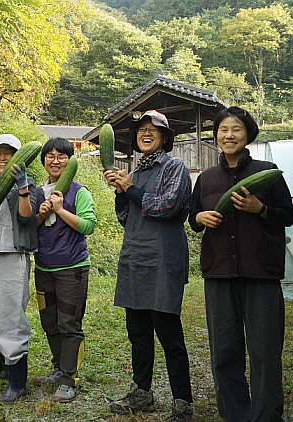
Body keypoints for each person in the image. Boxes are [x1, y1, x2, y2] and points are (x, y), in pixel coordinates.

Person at [188, 106, 293, 422]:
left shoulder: (268, 172)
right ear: (217, 136)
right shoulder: (206, 178)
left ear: (247, 134)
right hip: (219, 272)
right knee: (224, 352)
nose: (229, 135)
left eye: (236, 129)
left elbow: (287, 215)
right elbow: (193, 218)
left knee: (264, 353)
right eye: (223, 129)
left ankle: (265, 416)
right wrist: (198, 216)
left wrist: (259, 208)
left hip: (261, 272)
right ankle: (234, 414)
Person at [103, 110, 194, 421]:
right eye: (141, 129)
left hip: (163, 258)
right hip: (135, 258)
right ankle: (142, 393)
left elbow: (167, 207)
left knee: (169, 334)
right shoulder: (136, 173)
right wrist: (120, 192)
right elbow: (127, 217)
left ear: (164, 137)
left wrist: (129, 189)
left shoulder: (175, 167)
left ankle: (183, 401)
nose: (145, 133)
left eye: (153, 129)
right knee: (138, 332)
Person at [0, 134, 38, 403]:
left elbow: (27, 216)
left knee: (10, 318)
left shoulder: (28, 184)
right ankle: (4, 368)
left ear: (18, 158)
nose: (2, 158)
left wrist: (22, 189)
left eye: (8, 153)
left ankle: (18, 383)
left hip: (14, 254)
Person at [34, 138, 97, 402]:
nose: (55, 160)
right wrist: (39, 213)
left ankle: (70, 378)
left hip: (72, 268)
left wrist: (60, 210)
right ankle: (58, 367)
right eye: (50, 156)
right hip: (43, 267)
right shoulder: (38, 192)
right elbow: (30, 227)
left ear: (70, 161)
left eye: (61, 156)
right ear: (44, 161)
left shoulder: (78, 191)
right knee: (50, 321)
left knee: (69, 323)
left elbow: (88, 225)